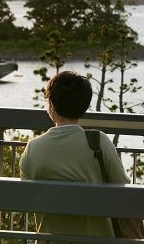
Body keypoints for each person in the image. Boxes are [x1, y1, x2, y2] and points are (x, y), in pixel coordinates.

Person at [19, 71, 130, 239]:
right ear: (84, 106)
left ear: (51, 105)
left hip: (51, 241)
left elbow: (27, 198)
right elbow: (123, 191)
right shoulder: (99, 143)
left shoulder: (33, 147)